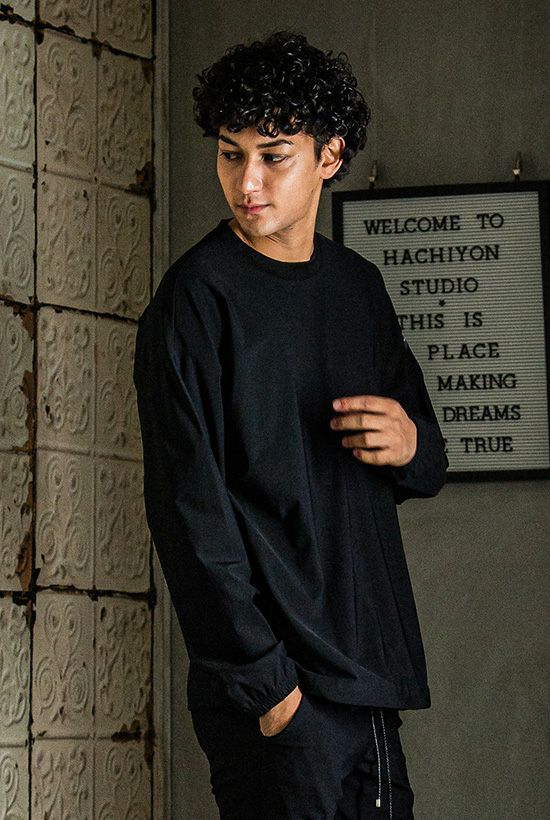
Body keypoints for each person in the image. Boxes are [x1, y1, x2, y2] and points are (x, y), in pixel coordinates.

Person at [133, 30, 448, 820]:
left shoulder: (357, 289)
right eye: (230, 154)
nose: (247, 182)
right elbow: (188, 515)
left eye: (273, 156)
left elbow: (426, 456)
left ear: (329, 156)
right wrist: (273, 695)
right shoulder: (195, 301)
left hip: (369, 679)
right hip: (276, 693)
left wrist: (410, 443)